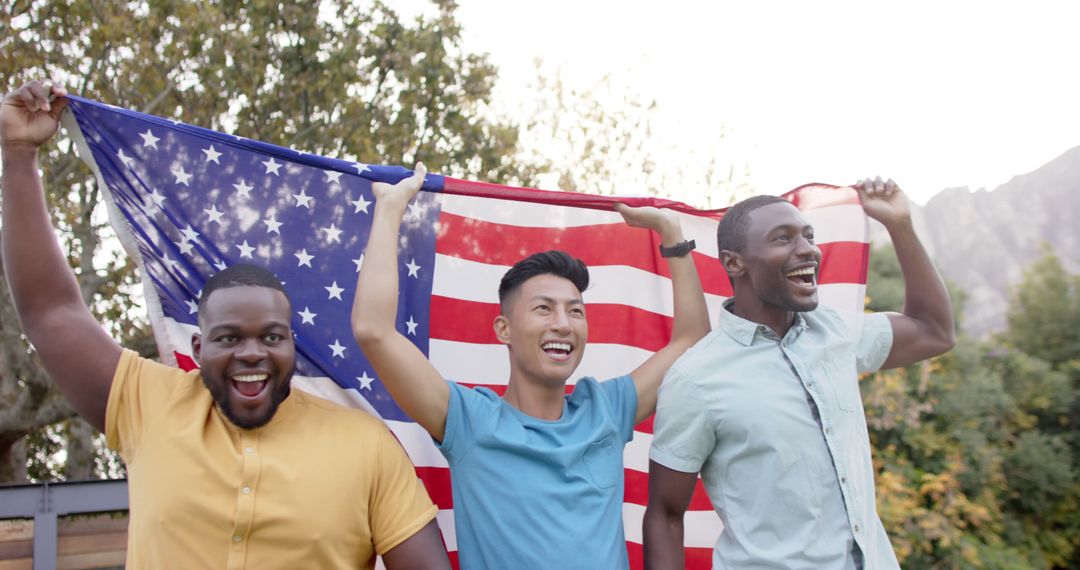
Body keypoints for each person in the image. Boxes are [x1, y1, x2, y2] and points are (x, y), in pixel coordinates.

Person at [0, 80, 451, 569]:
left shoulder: (367, 447)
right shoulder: (147, 404)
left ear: (292, 347)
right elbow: (51, 313)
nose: (252, 352)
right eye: (230, 337)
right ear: (198, 347)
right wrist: (19, 152)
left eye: (271, 337)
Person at [351, 164, 711, 568]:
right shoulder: (468, 421)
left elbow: (692, 340)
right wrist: (391, 208)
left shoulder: (606, 409)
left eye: (575, 311)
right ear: (503, 329)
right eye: (544, 308)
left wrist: (673, 236)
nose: (563, 323)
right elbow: (374, 330)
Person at [642, 182, 956, 568]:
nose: (807, 249)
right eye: (783, 239)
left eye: (809, 236)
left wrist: (900, 225)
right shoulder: (695, 378)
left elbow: (934, 331)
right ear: (734, 263)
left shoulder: (837, 333)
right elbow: (665, 514)